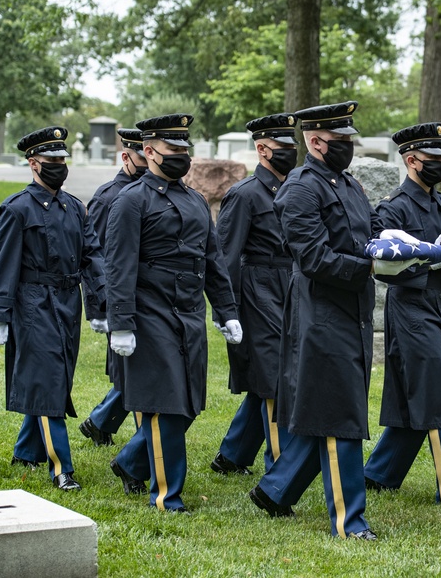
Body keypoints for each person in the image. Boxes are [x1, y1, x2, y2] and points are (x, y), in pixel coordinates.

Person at [248, 100, 416, 540]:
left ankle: (275, 491)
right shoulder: (301, 189)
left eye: (349, 141)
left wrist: (402, 244)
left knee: (332, 405)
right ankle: (349, 521)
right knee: (342, 417)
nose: (348, 148)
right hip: (321, 312)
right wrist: (373, 267)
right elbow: (314, 257)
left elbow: (368, 231)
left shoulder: (347, 183)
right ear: (316, 141)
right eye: (341, 141)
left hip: (354, 310)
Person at [104, 113, 242, 512]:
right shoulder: (131, 201)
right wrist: (122, 324)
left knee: (188, 402)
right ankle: (167, 495)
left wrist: (227, 311)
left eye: (185, 149)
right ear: (148, 152)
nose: (181, 156)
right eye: (172, 150)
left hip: (189, 314)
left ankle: (131, 462)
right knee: (166, 404)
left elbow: (212, 259)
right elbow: (120, 266)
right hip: (150, 312)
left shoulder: (196, 200)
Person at [364, 122, 441, 507]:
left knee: (413, 392)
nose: (439, 165)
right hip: (412, 308)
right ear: (411, 160)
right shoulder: (392, 207)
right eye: (432, 160)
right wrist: (430, 262)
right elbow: (382, 264)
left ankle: (379, 474)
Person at [0, 126, 107, 492]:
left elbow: (92, 256)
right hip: (32, 303)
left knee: (53, 378)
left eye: (61, 160)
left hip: (67, 304)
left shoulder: (75, 207)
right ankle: (61, 468)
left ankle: (26, 452)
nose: (58, 166)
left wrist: (100, 304)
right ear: (33, 163)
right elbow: (3, 264)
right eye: (51, 161)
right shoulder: (17, 208)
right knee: (48, 380)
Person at [210, 113, 298, 477]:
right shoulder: (244, 194)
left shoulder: (295, 187)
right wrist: (225, 309)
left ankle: (231, 456)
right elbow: (225, 256)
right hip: (257, 289)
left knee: (270, 377)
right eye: (283, 148)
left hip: (289, 286)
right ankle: (280, 468)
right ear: (262, 149)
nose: (291, 153)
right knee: (274, 377)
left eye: (294, 147)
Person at [79, 128, 149, 460]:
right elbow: (95, 258)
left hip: (150, 296)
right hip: (121, 299)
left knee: (140, 367)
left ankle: (100, 421)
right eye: (140, 156)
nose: (147, 162)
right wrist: (100, 307)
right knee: (133, 371)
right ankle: (143, 447)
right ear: (126, 157)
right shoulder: (109, 198)